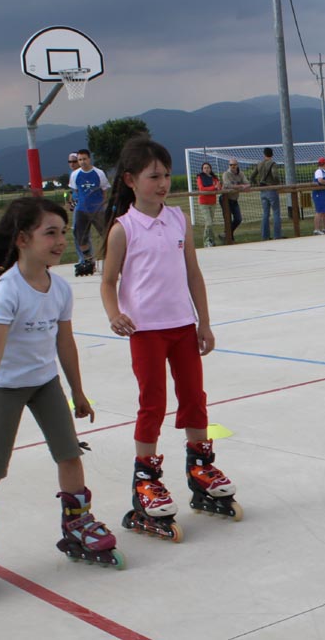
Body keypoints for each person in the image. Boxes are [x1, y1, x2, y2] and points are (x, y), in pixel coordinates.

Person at [0, 197, 122, 606]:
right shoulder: (6, 291)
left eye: (63, 232)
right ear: (23, 239)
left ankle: (77, 523)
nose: (60, 241)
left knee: (69, 452)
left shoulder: (60, 288)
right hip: (5, 388)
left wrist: (77, 391)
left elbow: (65, 343)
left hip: (45, 384)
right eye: (50, 233)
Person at [100, 136, 240, 542]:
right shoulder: (123, 229)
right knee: (153, 402)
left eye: (166, 175)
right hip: (145, 331)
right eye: (153, 176)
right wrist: (114, 314)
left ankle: (201, 468)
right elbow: (108, 282)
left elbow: (193, 273)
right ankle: (146, 480)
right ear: (130, 180)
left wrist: (204, 322)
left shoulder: (178, 219)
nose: (162, 183)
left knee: (195, 396)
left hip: (182, 326)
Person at [69, 149, 111, 276]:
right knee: (81, 237)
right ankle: (88, 261)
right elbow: (76, 191)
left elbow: (104, 191)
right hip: (82, 209)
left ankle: (112, 258)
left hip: (97, 209)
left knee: (107, 234)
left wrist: (102, 205)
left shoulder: (99, 173)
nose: (82, 162)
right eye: (80, 160)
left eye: (84, 159)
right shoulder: (75, 175)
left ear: (89, 159)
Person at [249, 147, 282, 240]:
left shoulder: (259, 164)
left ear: (264, 154)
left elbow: (251, 176)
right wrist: (277, 183)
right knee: (276, 212)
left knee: (265, 214)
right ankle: (277, 235)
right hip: (271, 189)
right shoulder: (272, 164)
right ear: (272, 154)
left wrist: (257, 184)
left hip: (262, 190)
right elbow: (275, 175)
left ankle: (265, 236)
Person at [220, 158, 248, 241]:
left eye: (234, 165)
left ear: (237, 165)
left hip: (234, 199)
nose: (232, 166)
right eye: (231, 165)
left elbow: (247, 183)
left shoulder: (241, 174)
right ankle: (229, 238)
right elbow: (227, 185)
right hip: (225, 199)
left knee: (238, 219)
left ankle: (226, 234)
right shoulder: (226, 174)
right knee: (227, 218)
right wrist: (240, 186)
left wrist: (244, 186)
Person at [195, 162, 221, 248]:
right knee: (208, 222)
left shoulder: (214, 178)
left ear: (210, 169)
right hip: (203, 202)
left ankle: (211, 240)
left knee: (210, 223)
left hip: (212, 202)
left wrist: (218, 187)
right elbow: (202, 188)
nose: (206, 169)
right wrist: (213, 187)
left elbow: (219, 187)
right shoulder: (200, 177)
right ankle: (206, 241)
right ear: (202, 169)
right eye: (204, 168)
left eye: (208, 167)